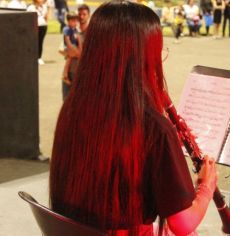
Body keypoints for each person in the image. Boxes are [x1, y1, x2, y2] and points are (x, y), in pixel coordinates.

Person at [49, 1, 218, 236]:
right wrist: (206, 187)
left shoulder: (71, 110)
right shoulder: (154, 129)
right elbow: (183, 224)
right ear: (145, 57)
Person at [61, 12, 82, 100]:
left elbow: (78, 39)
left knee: (71, 58)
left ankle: (65, 74)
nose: (75, 23)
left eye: (76, 21)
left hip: (74, 47)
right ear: (68, 21)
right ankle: (65, 74)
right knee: (69, 58)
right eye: (73, 21)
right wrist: (71, 48)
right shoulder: (66, 29)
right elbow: (67, 39)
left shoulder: (75, 29)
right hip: (68, 47)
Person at [27, 0, 49, 65]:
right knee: (34, 42)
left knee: (40, 42)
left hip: (43, 26)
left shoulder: (44, 7)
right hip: (35, 26)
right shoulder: (31, 7)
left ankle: (39, 57)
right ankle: (33, 57)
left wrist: (46, 22)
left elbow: (45, 16)